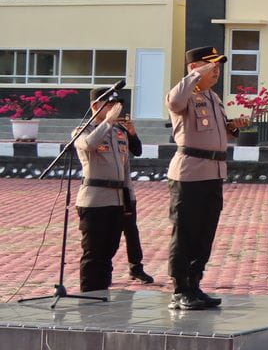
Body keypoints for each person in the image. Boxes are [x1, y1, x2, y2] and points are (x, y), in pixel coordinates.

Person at [167, 46, 248, 311]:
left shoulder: (213, 97)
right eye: (210, 66)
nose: (216, 71)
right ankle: (179, 289)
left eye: (218, 67)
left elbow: (219, 132)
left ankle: (194, 283)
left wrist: (233, 126)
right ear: (194, 68)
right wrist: (193, 76)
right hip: (189, 173)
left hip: (213, 172)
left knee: (205, 233)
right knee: (186, 232)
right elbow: (174, 103)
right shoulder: (185, 94)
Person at [73, 87, 151, 292]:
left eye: (117, 106)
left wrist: (128, 200)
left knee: (109, 251)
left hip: (117, 200)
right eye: (109, 105)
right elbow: (89, 145)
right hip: (95, 200)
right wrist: (107, 121)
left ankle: (102, 294)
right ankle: (89, 297)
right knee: (93, 253)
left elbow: (125, 168)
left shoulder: (119, 133)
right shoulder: (84, 130)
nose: (115, 109)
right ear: (95, 106)